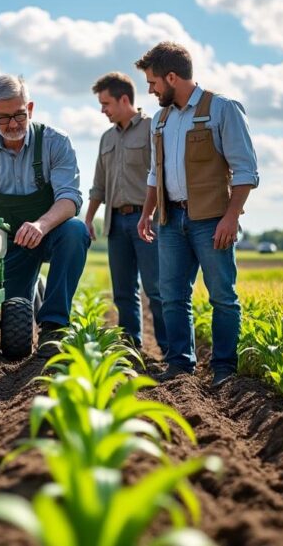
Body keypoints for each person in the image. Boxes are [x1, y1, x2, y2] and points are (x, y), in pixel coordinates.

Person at [134, 42, 260, 386]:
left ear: (172, 77)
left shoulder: (223, 109)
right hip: (170, 221)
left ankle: (223, 368)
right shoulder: (160, 120)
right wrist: (147, 214)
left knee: (222, 295)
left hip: (212, 221)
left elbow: (246, 170)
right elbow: (154, 173)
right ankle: (179, 364)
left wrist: (231, 217)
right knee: (171, 295)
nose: (150, 90)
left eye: (153, 82)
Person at [0, 75, 89, 356]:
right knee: (14, 307)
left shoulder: (55, 142)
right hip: (12, 241)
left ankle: (53, 327)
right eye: (4, 118)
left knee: (76, 231)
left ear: (31, 108)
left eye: (19, 115)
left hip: (51, 231)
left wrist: (41, 224)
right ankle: (32, 288)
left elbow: (70, 199)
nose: (13, 124)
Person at [84, 72, 168, 355]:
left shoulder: (151, 129)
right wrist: (88, 218)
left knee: (156, 289)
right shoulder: (106, 138)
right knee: (122, 291)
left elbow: (162, 176)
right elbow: (98, 186)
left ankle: (169, 350)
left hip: (148, 222)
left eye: (106, 103)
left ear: (124, 99)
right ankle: (132, 347)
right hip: (115, 222)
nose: (102, 110)